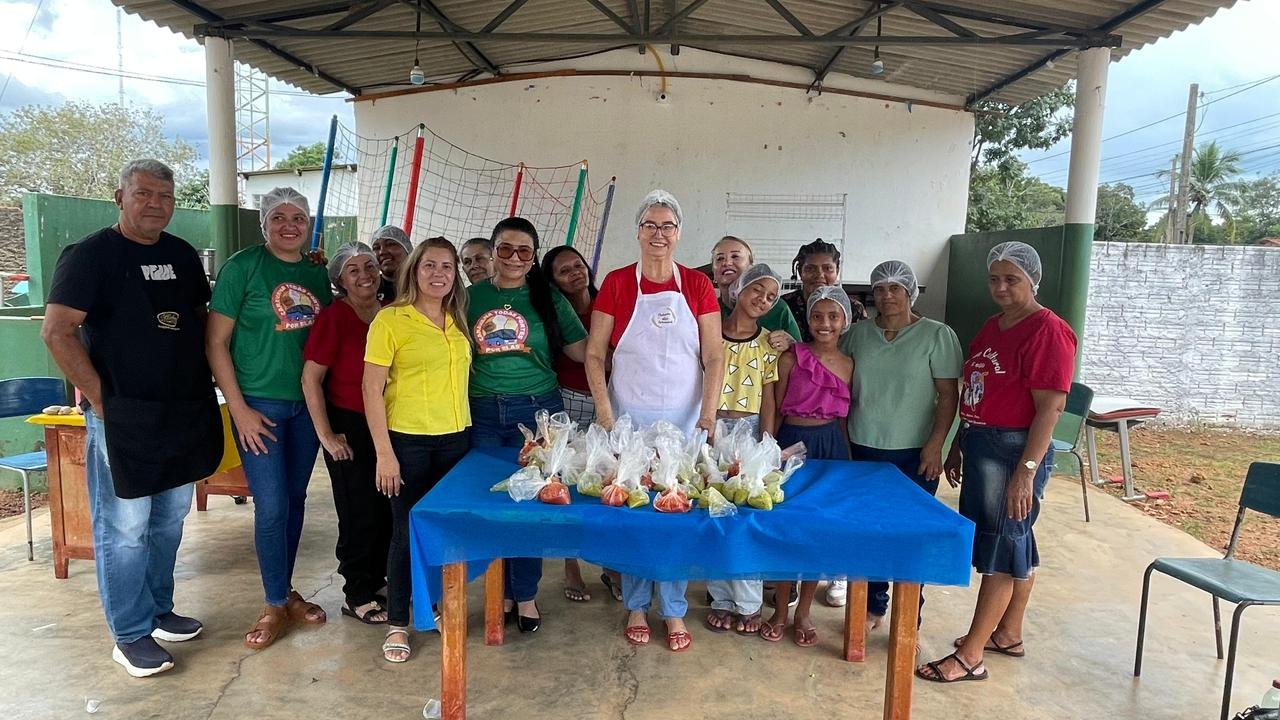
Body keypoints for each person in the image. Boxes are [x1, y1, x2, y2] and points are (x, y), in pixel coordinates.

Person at [41, 159, 224, 677]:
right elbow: (57, 331)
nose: (155, 204)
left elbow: (195, 321)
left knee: (168, 520)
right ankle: (130, 633)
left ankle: (158, 609)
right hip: (124, 417)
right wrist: (103, 402)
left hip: (182, 411)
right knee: (125, 527)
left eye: (164, 196)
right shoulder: (90, 256)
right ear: (119, 197)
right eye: (143, 194)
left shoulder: (182, 255)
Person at [916, 241, 1075, 684]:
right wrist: (958, 443)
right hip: (982, 442)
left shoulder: (1047, 330)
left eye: (1012, 279)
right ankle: (1007, 633)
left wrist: (1025, 473)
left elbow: (1051, 409)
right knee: (1014, 539)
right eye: (994, 278)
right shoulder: (994, 325)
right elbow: (977, 388)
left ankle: (970, 655)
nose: (1001, 287)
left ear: (1033, 281)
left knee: (1003, 548)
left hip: (1014, 451)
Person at [587, 189, 724, 653]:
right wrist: (606, 415)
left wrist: (707, 413)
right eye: (650, 225)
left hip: (685, 423)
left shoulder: (698, 286)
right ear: (638, 232)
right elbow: (593, 354)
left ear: (679, 233)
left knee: (677, 516)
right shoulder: (618, 283)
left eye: (667, 226)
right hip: (629, 418)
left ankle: (674, 609)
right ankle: (636, 604)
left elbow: (713, 353)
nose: (659, 234)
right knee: (635, 514)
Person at [207, 186, 333, 651]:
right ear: (264, 224)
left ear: (308, 225)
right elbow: (215, 343)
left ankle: (285, 592)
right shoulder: (242, 268)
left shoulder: (316, 274)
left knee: (296, 501)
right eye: (278, 216)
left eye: (297, 217)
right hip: (260, 406)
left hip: (306, 406)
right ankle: (273, 600)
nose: (288, 224)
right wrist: (238, 408)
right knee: (273, 505)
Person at [468, 217, 588, 634]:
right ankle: (498, 591)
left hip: (539, 412)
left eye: (524, 251)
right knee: (494, 505)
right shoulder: (469, 297)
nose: (514, 258)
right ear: (492, 252)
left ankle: (527, 594)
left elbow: (581, 350)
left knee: (533, 503)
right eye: (505, 249)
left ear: (534, 256)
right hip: (483, 411)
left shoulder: (548, 298)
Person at [363, 237, 472, 663]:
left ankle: (437, 608)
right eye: (429, 265)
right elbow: (371, 390)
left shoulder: (457, 319)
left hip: (456, 440)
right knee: (405, 534)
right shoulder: (390, 321)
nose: (438, 274)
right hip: (407, 442)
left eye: (447, 266)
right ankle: (397, 624)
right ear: (414, 270)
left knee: (445, 532)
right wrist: (384, 453)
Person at [837, 260, 962, 619]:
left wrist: (936, 444)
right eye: (879, 289)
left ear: (910, 291)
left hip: (915, 453)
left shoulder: (937, 335)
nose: (887, 295)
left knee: (912, 536)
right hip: (863, 449)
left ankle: (911, 620)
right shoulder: (858, 335)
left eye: (895, 288)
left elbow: (948, 396)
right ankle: (872, 608)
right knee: (869, 533)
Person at [301, 242, 391, 624]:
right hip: (349, 423)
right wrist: (327, 434)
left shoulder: (391, 314)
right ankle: (356, 591)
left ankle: (379, 579)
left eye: (369, 265)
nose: (364, 274)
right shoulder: (334, 318)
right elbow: (311, 379)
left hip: (388, 423)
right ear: (339, 279)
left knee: (387, 506)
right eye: (353, 269)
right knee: (359, 512)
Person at [761, 286, 854, 648]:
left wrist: (845, 458)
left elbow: (845, 420)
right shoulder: (791, 357)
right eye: (817, 316)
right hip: (792, 444)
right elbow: (777, 405)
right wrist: (771, 449)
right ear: (807, 320)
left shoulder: (849, 364)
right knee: (788, 526)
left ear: (845, 321)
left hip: (831, 447)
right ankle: (781, 610)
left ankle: (804, 614)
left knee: (818, 528)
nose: (825, 323)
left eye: (834, 316)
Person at [705, 263, 781, 637]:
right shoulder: (710, 331)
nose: (762, 300)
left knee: (747, 516)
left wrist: (767, 444)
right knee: (716, 512)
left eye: (771, 297)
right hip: (711, 429)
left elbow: (768, 398)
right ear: (739, 289)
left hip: (749, 430)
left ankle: (749, 602)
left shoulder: (768, 343)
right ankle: (720, 597)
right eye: (757, 291)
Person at [541, 244, 618, 603]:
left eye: (578, 265)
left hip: (609, 400)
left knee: (609, 481)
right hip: (569, 400)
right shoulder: (553, 312)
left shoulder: (607, 304)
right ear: (552, 281)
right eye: (563, 270)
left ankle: (611, 566)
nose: (575, 273)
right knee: (568, 484)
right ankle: (571, 566)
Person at [711, 236, 801, 350]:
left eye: (735, 256)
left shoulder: (778, 309)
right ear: (713, 272)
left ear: (751, 268)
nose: (727, 262)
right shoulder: (708, 309)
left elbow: (800, 357)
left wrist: (791, 345)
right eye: (719, 258)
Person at [779, 239, 866, 342]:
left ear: (837, 271)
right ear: (800, 271)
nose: (819, 275)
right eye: (810, 268)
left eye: (828, 268)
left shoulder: (854, 309)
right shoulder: (783, 306)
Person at [371, 225, 411, 301]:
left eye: (390, 244)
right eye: (376, 248)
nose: (382, 251)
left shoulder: (421, 285)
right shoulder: (369, 287)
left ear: (407, 250)